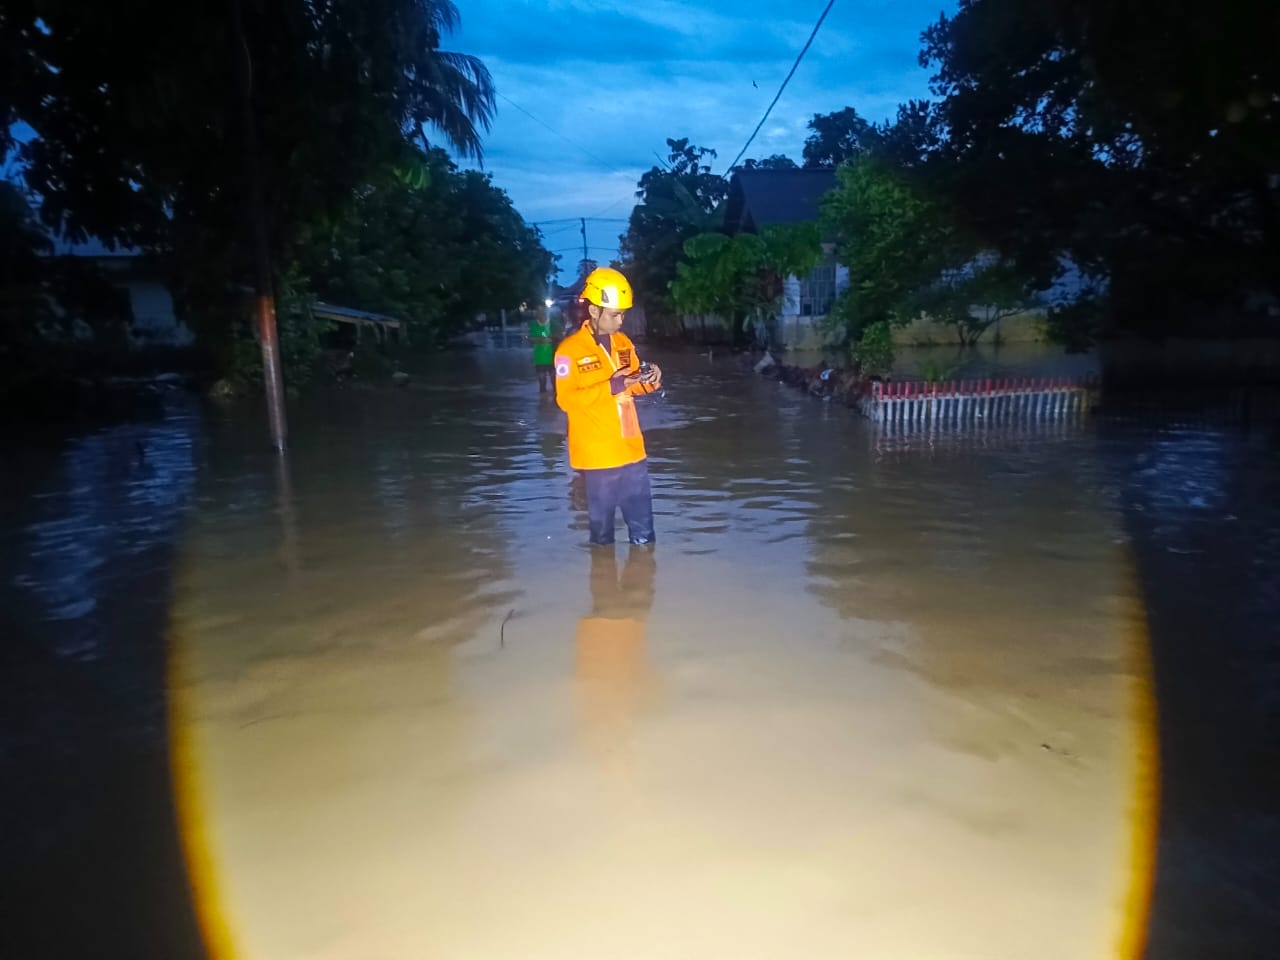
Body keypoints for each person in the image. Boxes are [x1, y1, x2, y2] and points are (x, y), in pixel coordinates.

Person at [555, 266, 662, 546]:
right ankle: (603, 584)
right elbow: (566, 400)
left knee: (644, 534)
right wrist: (612, 386)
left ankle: (643, 579)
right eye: (615, 314)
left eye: (623, 314)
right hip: (598, 456)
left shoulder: (624, 343)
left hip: (632, 451)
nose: (620, 321)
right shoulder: (569, 351)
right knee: (602, 538)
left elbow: (633, 383)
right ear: (594, 311)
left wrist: (650, 380)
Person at [527, 305, 555, 393]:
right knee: (542, 384)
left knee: (555, 384)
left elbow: (560, 337)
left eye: (543, 311)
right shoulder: (533, 325)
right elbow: (531, 339)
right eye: (538, 311)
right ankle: (543, 403)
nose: (541, 313)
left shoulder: (553, 324)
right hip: (539, 358)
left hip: (553, 357)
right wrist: (544, 340)